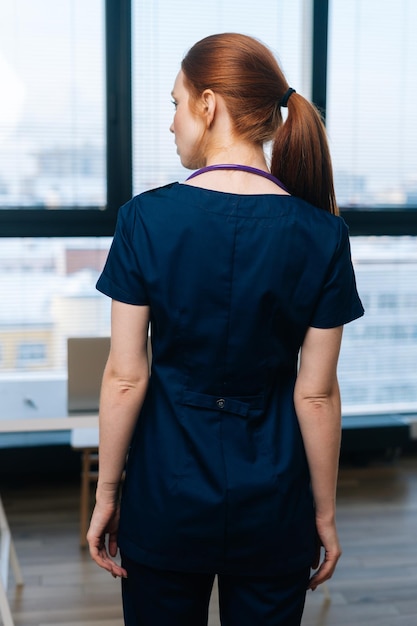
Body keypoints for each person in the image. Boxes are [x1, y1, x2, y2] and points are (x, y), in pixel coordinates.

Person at [87, 32, 364, 626]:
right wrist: (324, 514)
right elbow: (315, 394)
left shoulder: (144, 220)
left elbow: (125, 378)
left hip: (165, 497)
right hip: (275, 503)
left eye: (175, 104)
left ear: (207, 105)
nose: (172, 125)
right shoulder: (323, 235)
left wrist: (108, 495)